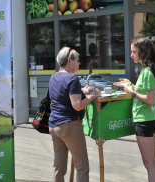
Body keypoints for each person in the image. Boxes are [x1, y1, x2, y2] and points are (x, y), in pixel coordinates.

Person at [114, 38, 155, 182]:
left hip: (145, 120)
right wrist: (131, 85)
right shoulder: (147, 71)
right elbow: (146, 92)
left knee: (149, 164)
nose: (132, 55)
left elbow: (149, 99)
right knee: (154, 162)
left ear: (144, 52)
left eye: (134, 52)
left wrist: (132, 92)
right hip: (150, 118)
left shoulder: (147, 72)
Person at [49, 47, 101, 182]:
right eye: (77, 60)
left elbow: (62, 95)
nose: (78, 63)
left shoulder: (54, 76)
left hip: (54, 126)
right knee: (82, 165)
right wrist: (93, 95)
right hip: (69, 125)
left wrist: (81, 91)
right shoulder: (72, 78)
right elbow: (77, 105)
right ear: (68, 60)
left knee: (58, 167)